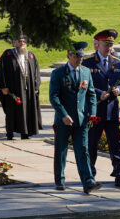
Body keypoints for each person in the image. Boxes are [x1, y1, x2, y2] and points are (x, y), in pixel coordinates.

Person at [82, 29, 120, 187]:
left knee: (116, 144)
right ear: (97, 44)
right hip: (95, 111)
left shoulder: (117, 62)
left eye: (111, 45)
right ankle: (90, 175)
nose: (109, 48)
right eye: (106, 44)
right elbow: (84, 85)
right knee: (92, 144)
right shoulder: (87, 62)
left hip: (111, 110)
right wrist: (99, 93)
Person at [49, 42, 102, 194]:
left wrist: (92, 113)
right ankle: (60, 179)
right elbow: (53, 96)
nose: (80, 60)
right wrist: (63, 114)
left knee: (83, 150)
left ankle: (88, 182)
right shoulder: (59, 73)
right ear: (69, 55)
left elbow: (91, 94)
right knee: (61, 150)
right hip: (63, 120)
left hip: (81, 120)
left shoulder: (86, 72)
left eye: (82, 57)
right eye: (77, 56)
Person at [0, 35, 42, 140]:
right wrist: (3, 86)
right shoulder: (8, 54)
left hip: (28, 89)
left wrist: (35, 86)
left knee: (26, 111)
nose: (22, 43)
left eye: (24, 41)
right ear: (15, 43)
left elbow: (36, 73)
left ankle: (25, 134)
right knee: (11, 112)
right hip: (12, 90)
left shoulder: (30, 55)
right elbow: (1, 71)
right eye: (20, 41)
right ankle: (10, 134)